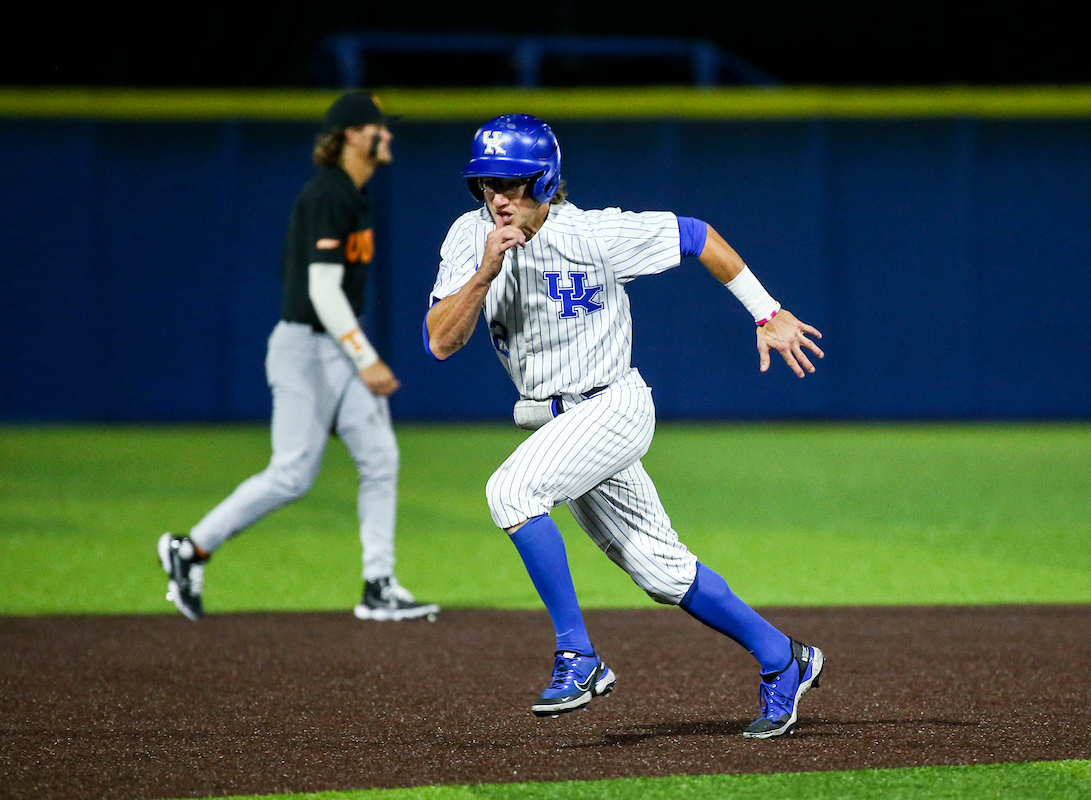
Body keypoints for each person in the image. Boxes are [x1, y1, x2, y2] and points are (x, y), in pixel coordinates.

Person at [424, 114, 825, 738]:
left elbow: (697, 236)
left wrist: (766, 312)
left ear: (546, 179)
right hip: (553, 423)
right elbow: (441, 343)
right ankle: (784, 658)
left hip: (612, 405)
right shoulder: (466, 237)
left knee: (511, 491)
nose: (499, 197)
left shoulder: (595, 235)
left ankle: (577, 656)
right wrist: (482, 274)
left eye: (514, 182)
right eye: (486, 184)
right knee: (661, 571)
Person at [158, 91, 439, 623]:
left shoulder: (352, 195)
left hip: (335, 346)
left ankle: (379, 585)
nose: (390, 135)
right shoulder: (329, 195)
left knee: (381, 458)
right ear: (355, 135)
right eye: (381, 127)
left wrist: (354, 354)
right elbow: (322, 291)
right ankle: (190, 548)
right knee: (291, 475)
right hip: (307, 348)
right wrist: (365, 357)